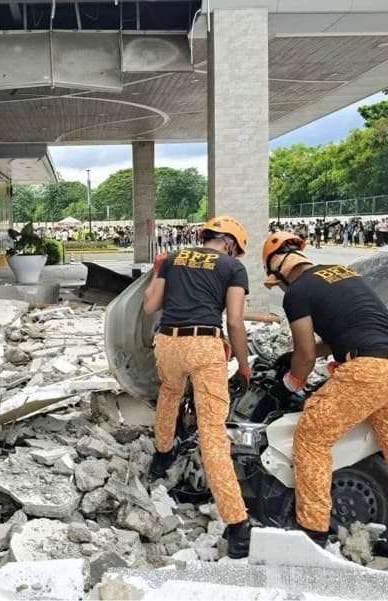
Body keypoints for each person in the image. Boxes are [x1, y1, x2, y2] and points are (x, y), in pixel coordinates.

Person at [260, 232, 388, 574]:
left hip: (367, 372)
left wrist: (288, 384)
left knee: (311, 437)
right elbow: (342, 330)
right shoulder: (341, 272)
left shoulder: (297, 292)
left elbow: (306, 356)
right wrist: (292, 356)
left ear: (277, 271)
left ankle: (313, 533)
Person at [142, 216, 253, 558]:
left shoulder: (173, 258)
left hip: (169, 343)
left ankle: (161, 458)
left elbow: (149, 306)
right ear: (231, 244)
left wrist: (158, 271)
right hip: (204, 345)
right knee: (212, 432)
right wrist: (244, 364)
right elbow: (234, 320)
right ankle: (237, 525)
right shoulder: (232, 268)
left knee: (170, 394)